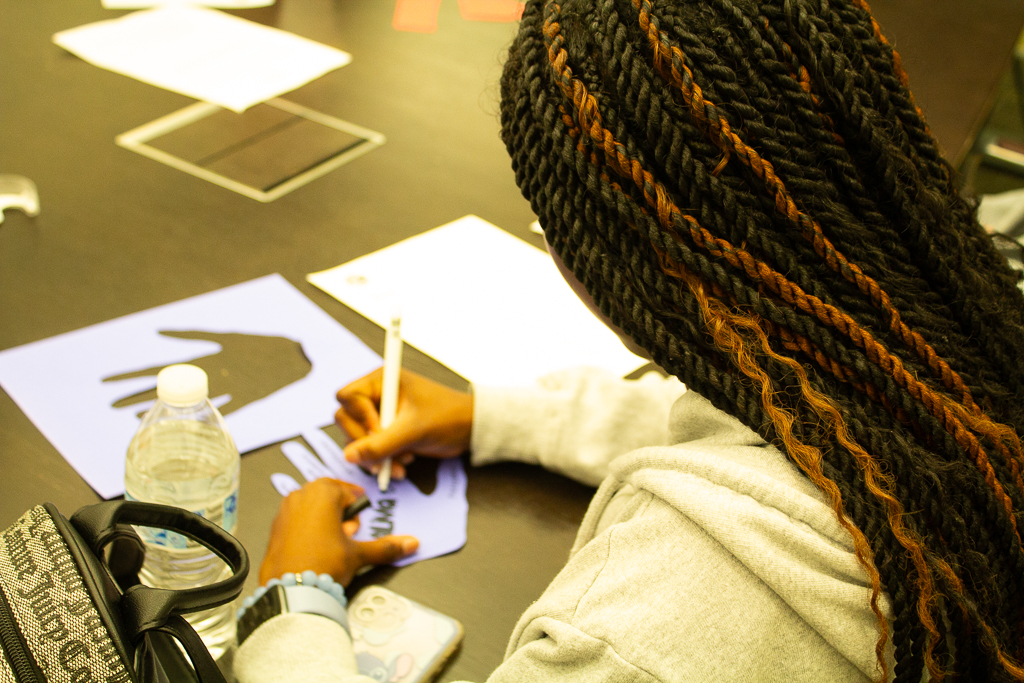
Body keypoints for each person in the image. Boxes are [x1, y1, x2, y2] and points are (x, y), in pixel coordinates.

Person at [235, 0, 1024, 680]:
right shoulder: (952, 361)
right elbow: (791, 432)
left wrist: (291, 601)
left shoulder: (643, 633)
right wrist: (497, 417)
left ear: (609, 263)